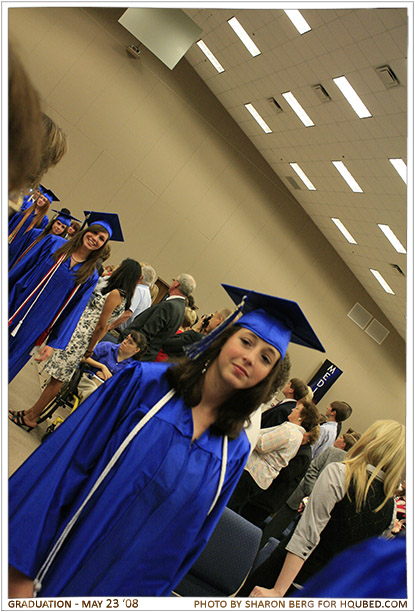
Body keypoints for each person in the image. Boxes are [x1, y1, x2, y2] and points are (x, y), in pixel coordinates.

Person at [8, 283, 325, 598]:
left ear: (267, 379)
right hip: (52, 562)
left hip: (122, 587)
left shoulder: (234, 450)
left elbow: (186, 541)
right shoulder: (144, 385)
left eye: (266, 357)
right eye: (246, 341)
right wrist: (19, 565)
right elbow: (62, 465)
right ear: (223, 338)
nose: (250, 357)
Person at [246, 419, 405, 597]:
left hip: (287, 577)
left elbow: (307, 536)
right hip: (326, 589)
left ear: (370, 441)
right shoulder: (389, 507)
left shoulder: (340, 474)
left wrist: (278, 590)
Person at [10, 259, 141, 431]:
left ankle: (32, 416)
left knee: (58, 378)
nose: (117, 268)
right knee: (56, 377)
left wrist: (90, 348)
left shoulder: (117, 293)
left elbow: (102, 325)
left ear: (124, 272)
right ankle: (31, 413)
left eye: (120, 266)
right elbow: (107, 324)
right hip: (81, 335)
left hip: (82, 338)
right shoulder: (122, 296)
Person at [8, 212, 122, 384]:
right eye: (95, 232)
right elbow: (24, 266)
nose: (95, 239)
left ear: (102, 246)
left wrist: (54, 342)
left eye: (101, 238)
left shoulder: (89, 275)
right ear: (86, 231)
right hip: (17, 304)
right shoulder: (54, 243)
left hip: (38, 323)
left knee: (11, 360)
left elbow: (74, 311)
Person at [260, 429, 361, 543]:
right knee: (273, 529)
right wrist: (312, 493)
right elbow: (312, 469)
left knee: (294, 540)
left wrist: (316, 499)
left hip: (318, 510)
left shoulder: (353, 467)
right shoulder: (331, 452)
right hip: (301, 496)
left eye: (340, 438)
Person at [227, 400, 320, 515]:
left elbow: (262, 444)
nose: (292, 409)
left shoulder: (290, 431)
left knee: (228, 506)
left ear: (302, 417)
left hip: (252, 473)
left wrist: (251, 432)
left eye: (296, 409)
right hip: (259, 478)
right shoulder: (296, 435)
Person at [119, 273, 197, 361]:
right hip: (147, 356)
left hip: (133, 354)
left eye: (174, 280)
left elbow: (147, 332)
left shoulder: (170, 306)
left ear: (177, 284)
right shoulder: (181, 308)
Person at [77, 332, 147, 403]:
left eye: (130, 342)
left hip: (108, 390)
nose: (125, 342)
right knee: (93, 395)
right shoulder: (107, 347)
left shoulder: (133, 367)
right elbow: (82, 358)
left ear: (136, 350)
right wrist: (102, 367)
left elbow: (123, 387)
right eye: (126, 338)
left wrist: (110, 379)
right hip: (90, 380)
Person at [9, 210, 79, 269]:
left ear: (64, 230)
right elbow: (19, 249)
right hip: (20, 264)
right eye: (58, 223)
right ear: (53, 222)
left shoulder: (58, 246)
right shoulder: (35, 233)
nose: (59, 227)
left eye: (63, 227)